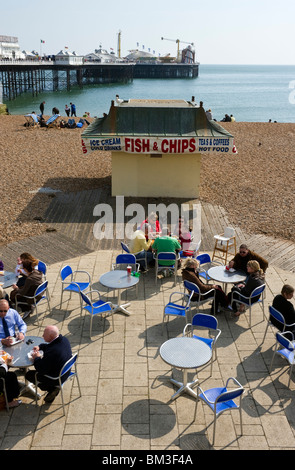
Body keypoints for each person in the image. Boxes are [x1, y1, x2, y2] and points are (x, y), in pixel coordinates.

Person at [25, 325, 72, 403]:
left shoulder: (52, 352)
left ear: (50, 336)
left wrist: (37, 358)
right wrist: (40, 347)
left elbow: (41, 369)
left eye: (44, 334)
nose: (42, 335)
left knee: (29, 375)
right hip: (67, 371)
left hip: (57, 377)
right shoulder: (63, 339)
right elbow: (50, 346)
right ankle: (53, 389)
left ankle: (52, 389)